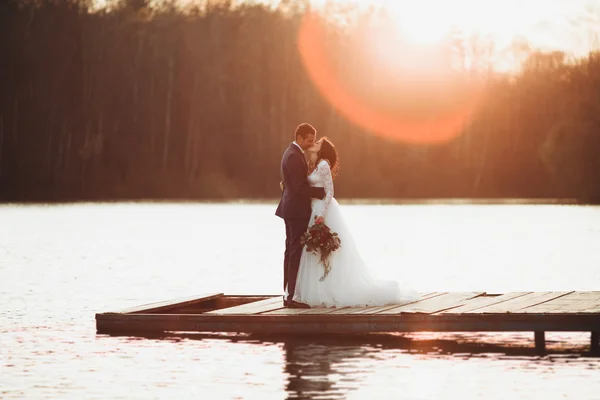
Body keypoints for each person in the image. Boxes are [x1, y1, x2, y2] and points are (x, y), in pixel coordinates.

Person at [293, 137, 420, 307]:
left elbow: (330, 191)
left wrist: (323, 215)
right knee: (316, 251)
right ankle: (320, 289)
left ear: (322, 150)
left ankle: (330, 290)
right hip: (314, 208)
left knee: (327, 250)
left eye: (318, 143)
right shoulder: (315, 164)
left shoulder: (323, 165)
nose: (314, 144)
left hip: (323, 209)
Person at [275, 123, 326, 308]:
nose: (310, 144)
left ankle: (288, 294)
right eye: (309, 140)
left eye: (313, 141)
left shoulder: (292, 153)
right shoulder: (294, 156)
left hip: (291, 209)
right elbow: (299, 187)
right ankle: (291, 297)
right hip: (295, 211)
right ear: (299, 138)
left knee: (291, 251)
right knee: (294, 252)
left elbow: (292, 183)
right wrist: (322, 193)